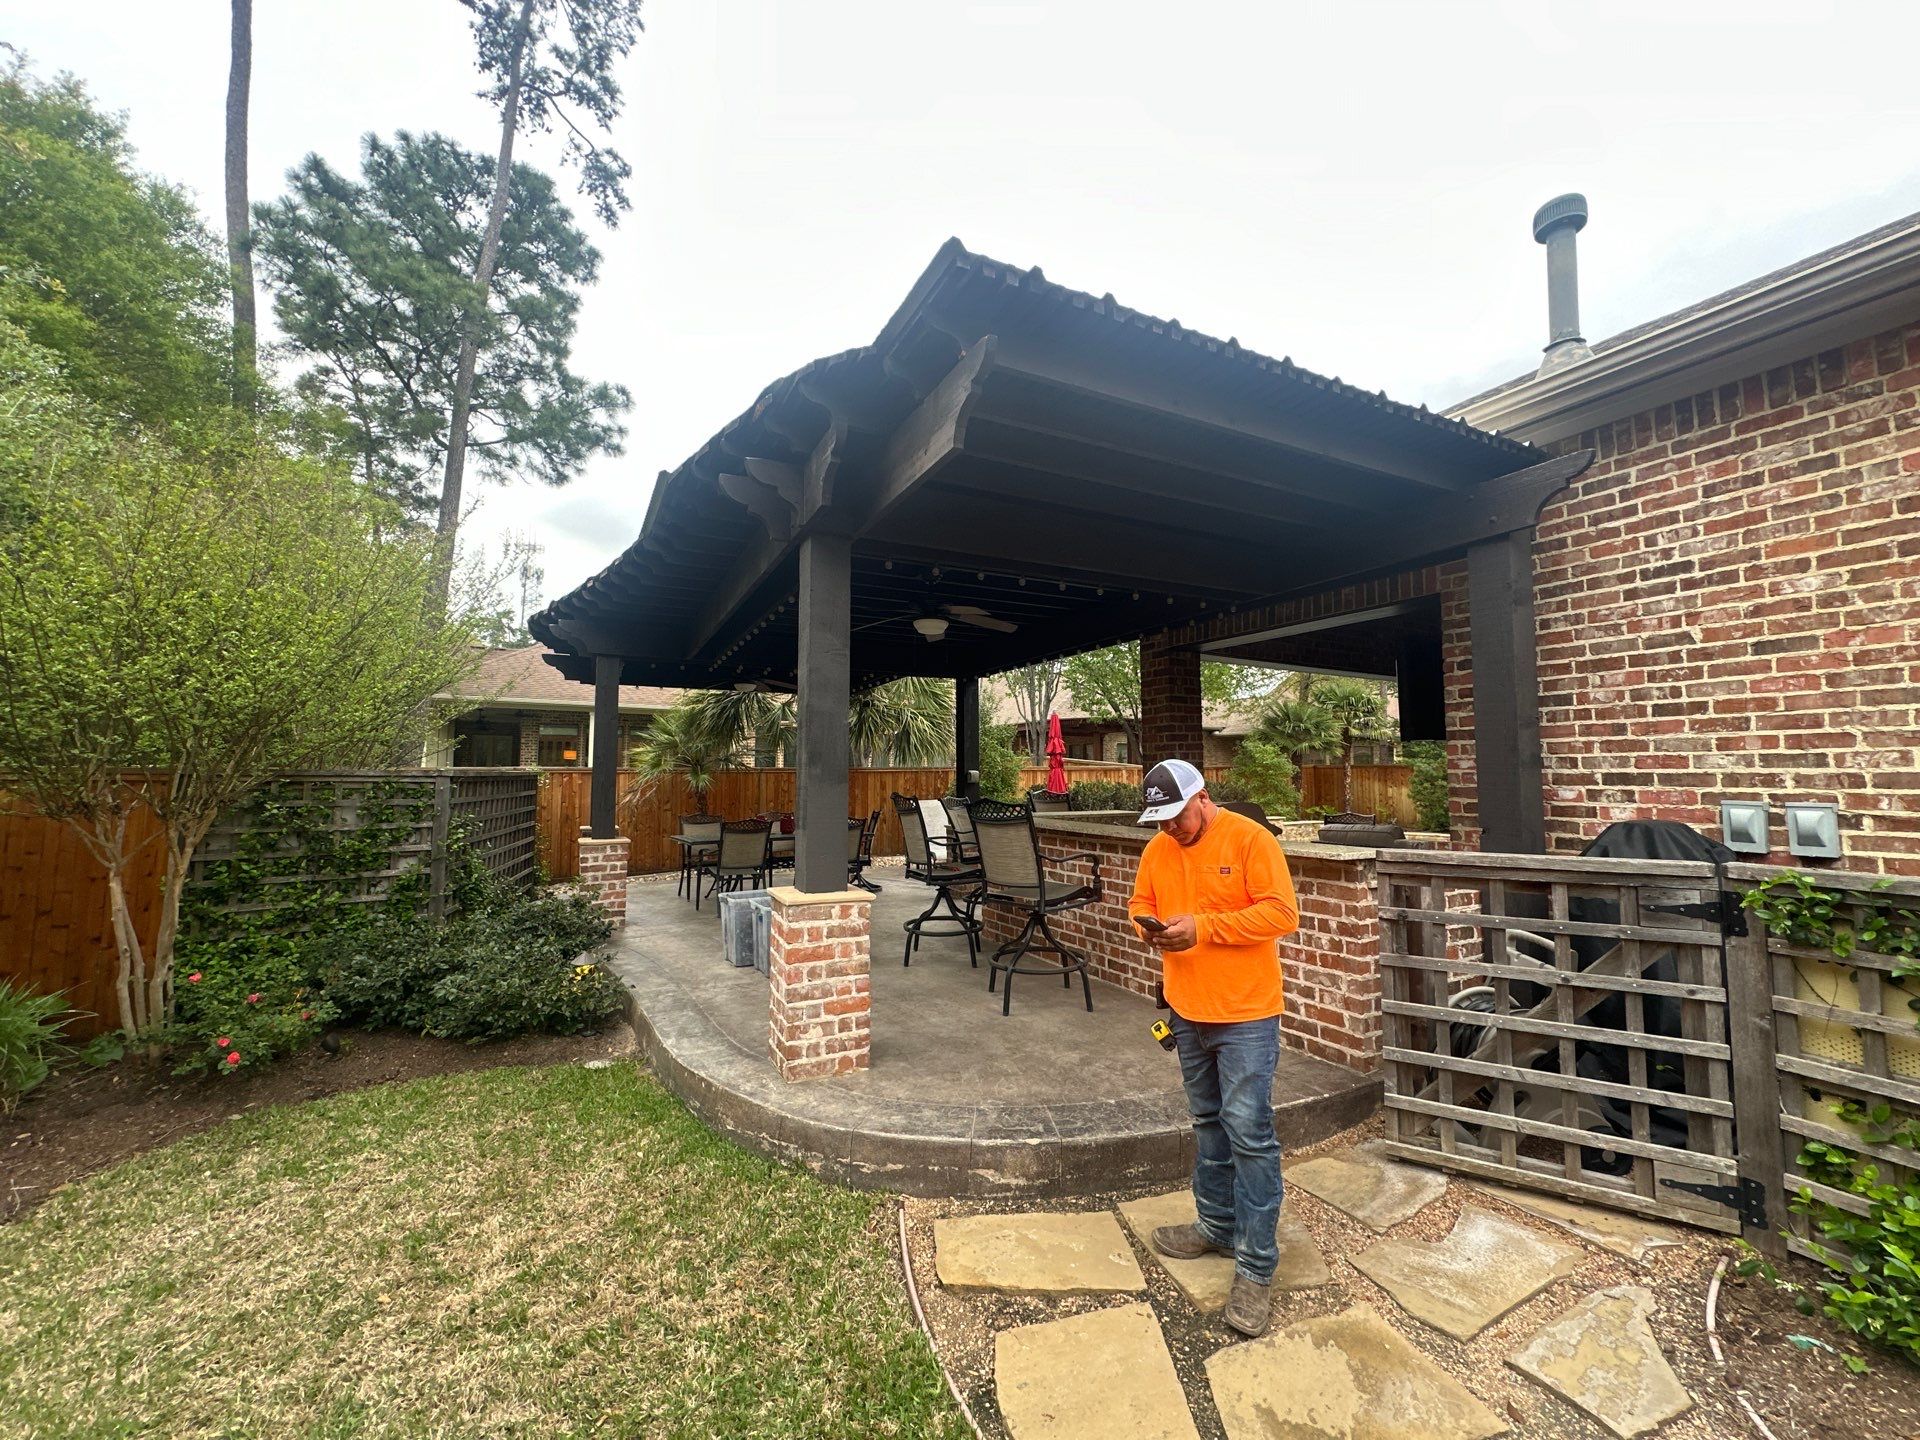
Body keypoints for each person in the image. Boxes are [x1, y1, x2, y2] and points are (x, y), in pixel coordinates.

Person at [1129, 758, 1299, 1337]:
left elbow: (1282, 913)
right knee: (1206, 1122)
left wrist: (1202, 927)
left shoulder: (1250, 839)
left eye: (1176, 816)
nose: (1169, 829)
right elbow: (1137, 906)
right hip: (1185, 1009)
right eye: (1160, 819)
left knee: (1249, 1133)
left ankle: (1255, 1267)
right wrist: (1149, 927)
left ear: (1202, 797)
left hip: (1246, 1014)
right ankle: (1216, 1224)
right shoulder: (1158, 848)